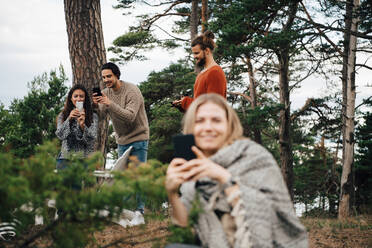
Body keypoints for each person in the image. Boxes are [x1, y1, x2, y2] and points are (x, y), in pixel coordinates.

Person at [165, 94, 308, 248]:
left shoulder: (254, 157)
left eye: (216, 120)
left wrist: (224, 178)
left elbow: (271, 217)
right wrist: (172, 193)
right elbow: (186, 232)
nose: (208, 127)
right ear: (191, 127)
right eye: (199, 121)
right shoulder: (192, 166)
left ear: (229, 126)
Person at [92, 62, 149, 215]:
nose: (106, 80)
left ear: (117, 75)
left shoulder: (132, 90)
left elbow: (129, 117)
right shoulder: (106, 93)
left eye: (109, 76)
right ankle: (124, 211)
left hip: (139, 137)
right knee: (122, 179)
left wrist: (109, 104)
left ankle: (140, 212)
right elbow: (103, 116)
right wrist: (97, 106)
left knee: (138, 176)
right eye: (104, 77)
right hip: (122, 141)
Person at [173, 31, 227, 112]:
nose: (194, 56)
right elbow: (200, 108)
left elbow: (213, 107)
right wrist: (182, 106)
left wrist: (186, 102)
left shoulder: (215, 73)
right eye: (193, 54)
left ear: (207, 51)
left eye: (197, 53)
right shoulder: (203, 74)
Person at [56, 84, 98, 169]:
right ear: (71, 99)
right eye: (75, 96)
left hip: (84, 159)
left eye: (81, 96)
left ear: (85, 98)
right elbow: (60, 135)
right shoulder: (63, 115)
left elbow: (92, 137)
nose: (78, 99)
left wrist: (83, 126)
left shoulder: (92, 116)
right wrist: (69, 119)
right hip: (65, 158)